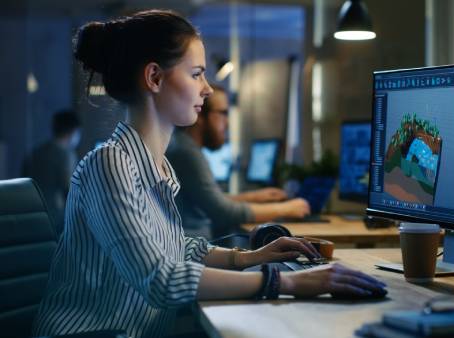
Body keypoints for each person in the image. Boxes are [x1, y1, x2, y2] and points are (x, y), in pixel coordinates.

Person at [32, 10, 386, 338]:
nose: (208, 89)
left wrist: (251, 257)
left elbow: (172, 248)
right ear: (154, 77)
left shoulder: (154, 164)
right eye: (196, 74)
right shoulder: (108, 164)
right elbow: (162, 279)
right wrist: (289, 283)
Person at [167, 84, 309, 239]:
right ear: (200, 114)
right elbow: (223, 212)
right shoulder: (187, 153)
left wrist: (253, 197)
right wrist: (286, 208)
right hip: (196, 253)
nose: (227, 123)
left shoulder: (183, 145)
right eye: (223, 113)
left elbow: (211, 201)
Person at [22, 109, 81, 234]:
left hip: (31, 219)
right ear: (73, 131)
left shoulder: (35, 153)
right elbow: (70, 191)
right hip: (55, 221)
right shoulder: (66, 155)